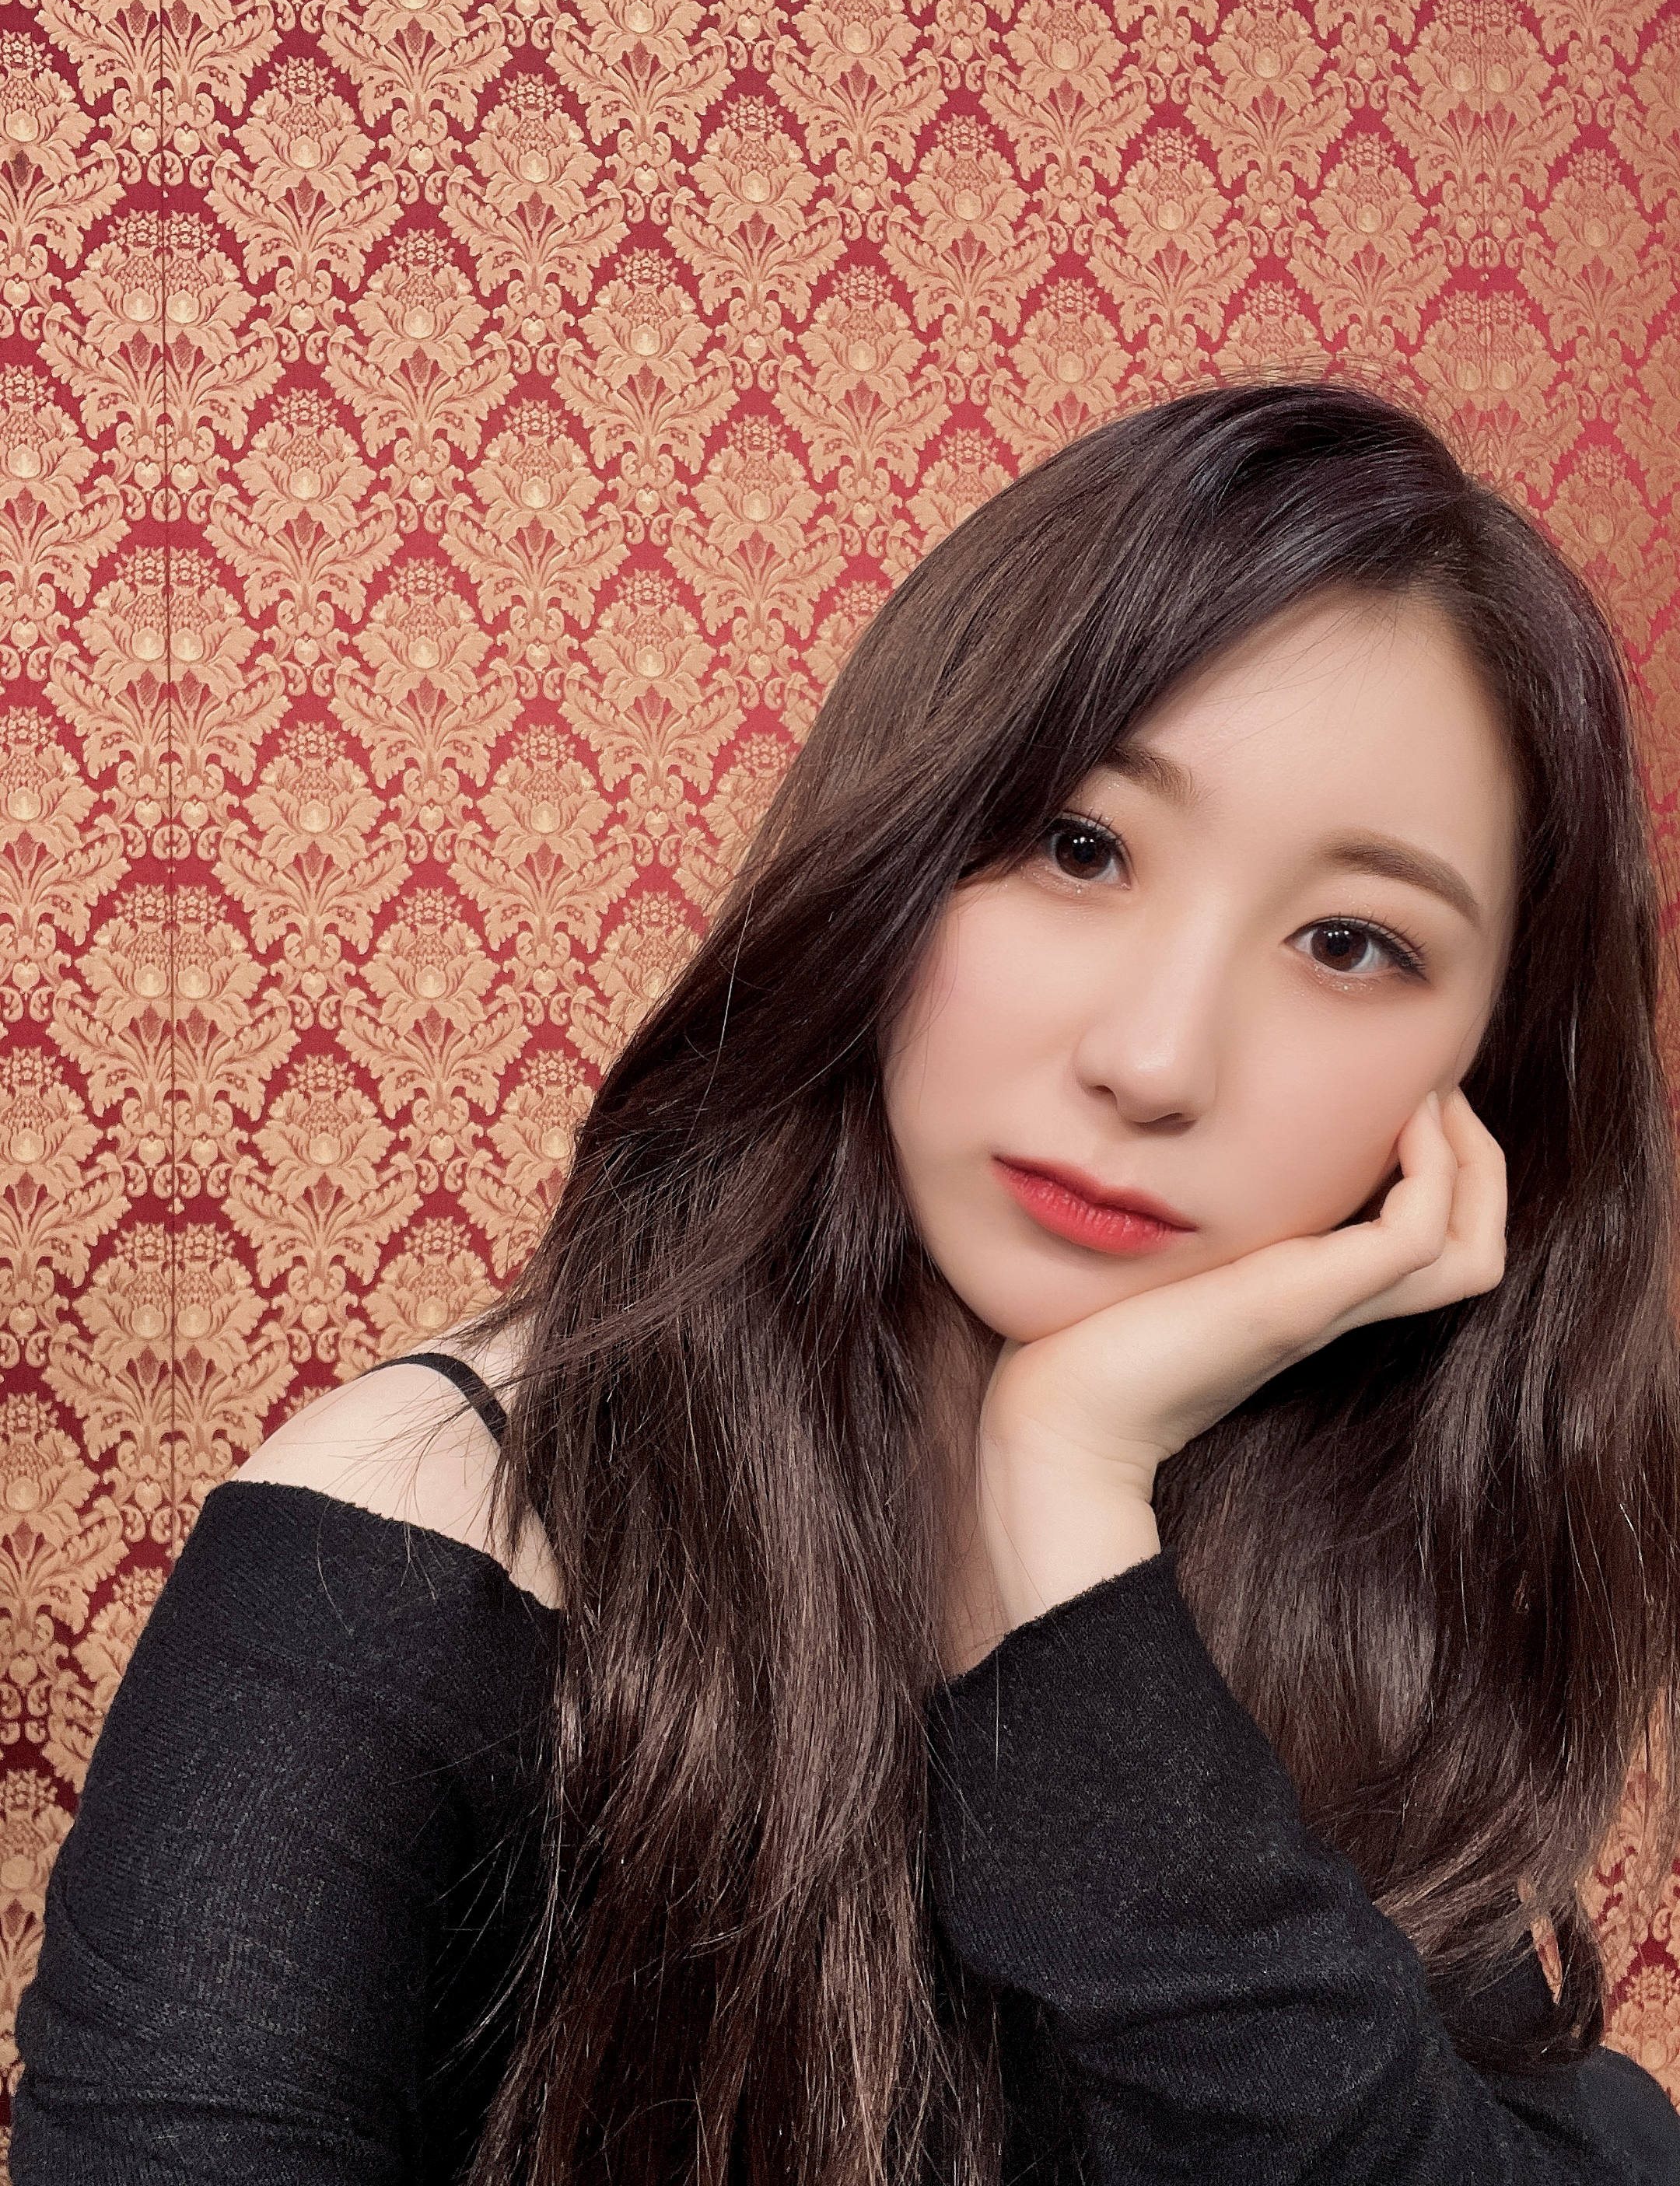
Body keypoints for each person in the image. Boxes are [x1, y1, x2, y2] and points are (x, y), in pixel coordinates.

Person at [13, 379, 1680, 2184]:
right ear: (901, 844)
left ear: (1485, 1077)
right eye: (1081, 847)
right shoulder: (414, 1544)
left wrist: (1064, 1508)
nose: (1154, 1059)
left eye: (1350, 944)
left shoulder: (1345, 1565)